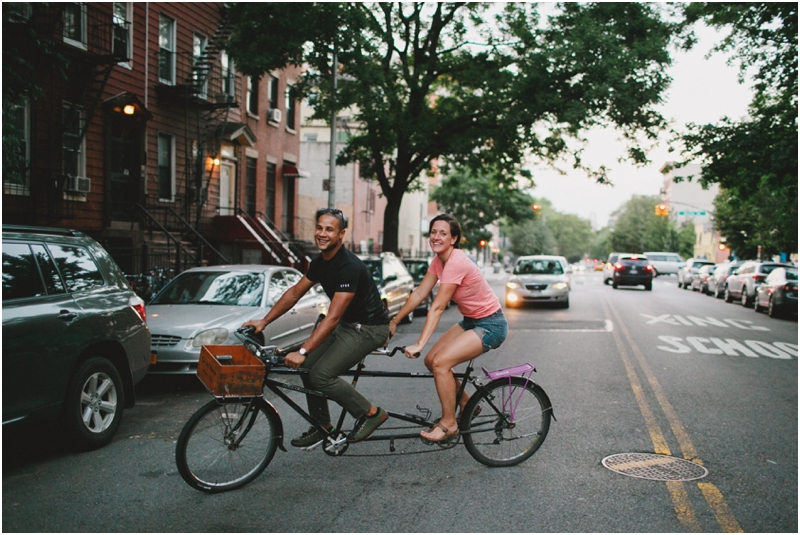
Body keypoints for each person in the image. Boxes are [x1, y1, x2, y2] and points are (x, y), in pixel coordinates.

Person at [242, 208, 390, 446]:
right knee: (308, 369)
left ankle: (371, 413)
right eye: (319, 228)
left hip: (370, 329)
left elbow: (332, 317)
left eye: (329, 229)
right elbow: (293, 294)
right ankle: (322, 425)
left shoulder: (348, 266)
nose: (322, 233)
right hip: (348, 325)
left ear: (341, 234)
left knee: (321, 375)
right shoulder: (320, 262)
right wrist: (264, 321)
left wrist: (302, 351)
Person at [388, 214, 508, 442]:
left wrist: (420, 344)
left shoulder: (456, 262)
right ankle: (467, 403)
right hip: (471, 321)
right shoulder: (439, 260)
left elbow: (438, 306)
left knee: (441, 363)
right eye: (433, 232)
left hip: (491, 324)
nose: (436, 237)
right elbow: (420, 293)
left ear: (454, 239)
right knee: (431, 361)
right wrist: (394, 320)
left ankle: (449, 423)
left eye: (443, 233)